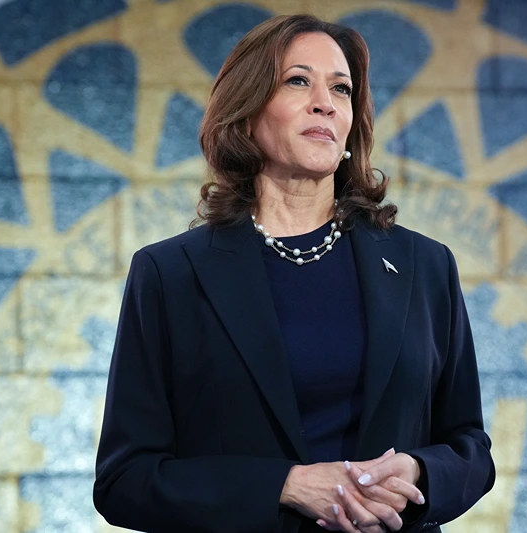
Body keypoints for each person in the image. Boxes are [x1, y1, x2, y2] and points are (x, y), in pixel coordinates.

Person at [93, 13, 495, 533]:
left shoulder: (426, 266)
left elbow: (470, 449)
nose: (324, 102)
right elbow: (125, 480)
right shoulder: (170, 274)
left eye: (341, 88)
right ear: (245, 113)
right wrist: (284, 485)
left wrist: (420, 473)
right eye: (298, 80)